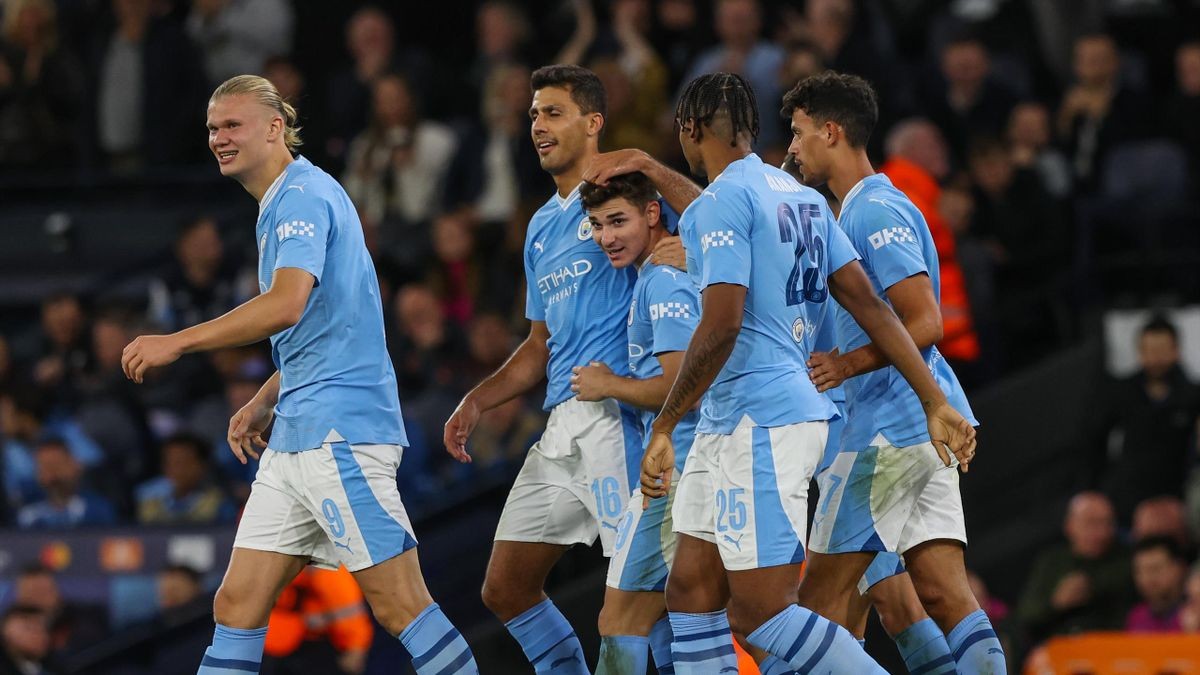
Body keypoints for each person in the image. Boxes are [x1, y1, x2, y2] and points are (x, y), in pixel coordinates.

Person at [120, 74, 476, 675]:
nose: (219, 138)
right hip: (297, 433)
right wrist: (267, 395)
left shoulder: (303, 196)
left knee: (401, 607)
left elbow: (285, 304)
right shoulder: (285, 202)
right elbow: (332, 322)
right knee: (236, 603)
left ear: (275, 127)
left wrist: (177, 342)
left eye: (232, 124)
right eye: (212, 128)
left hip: (339, 434)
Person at [638, 71, 975, 673]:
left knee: (762, 615)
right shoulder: (802, 198)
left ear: (689, 130)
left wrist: (665, 423)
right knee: (689, 592)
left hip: (761, 420)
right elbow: (870, 305)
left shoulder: (720, 204)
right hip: (741, 419)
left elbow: (720, 325)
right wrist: (933, 398)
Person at [779, 72, 1003, 672]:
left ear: (831, 132)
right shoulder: (853, 210)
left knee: (817, 608)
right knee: (941, 595)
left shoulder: (874, 210)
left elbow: (926, 321)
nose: (793, 148)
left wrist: (846, 362)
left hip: (883, 432)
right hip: (910, 428)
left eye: (799, 134)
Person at [443, 65, 639, 674]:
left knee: (647, 600)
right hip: (562, 428)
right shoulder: (538, 226)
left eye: (553, 112)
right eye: (533, 115)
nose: (538, 126)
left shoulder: (629, 195)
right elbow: (538, 344)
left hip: (622, 419)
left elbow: (698, 254)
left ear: (593, 122)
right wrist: (478, 400)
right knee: (505, 588)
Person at [571, 171, 699, 674]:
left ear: (653, 213)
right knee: (700, 616)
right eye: (598, 225)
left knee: (620, 620)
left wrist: (611, 385)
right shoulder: (662, 273)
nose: (606, 237)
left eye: (618, 220)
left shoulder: (664, 278)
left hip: (678, 466)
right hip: (696, 460)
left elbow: (681, 384)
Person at [1015, 492, 1134, 642]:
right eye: (1091, 523)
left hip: (1110, 648)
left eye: (1107, 523)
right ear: (1069, 526)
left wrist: (1090, 586)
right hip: (1059, 648)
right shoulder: (1052, 561)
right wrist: (1056, 603)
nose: (1101, 532)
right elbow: (1027, 614)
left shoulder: (1126, 557)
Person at [1126, 536, 1189, 633]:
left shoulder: (1194, 614)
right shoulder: (1136, 617)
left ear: (1178, 569)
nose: (1146, 579)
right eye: (1140, 571)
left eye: (1155, 569)